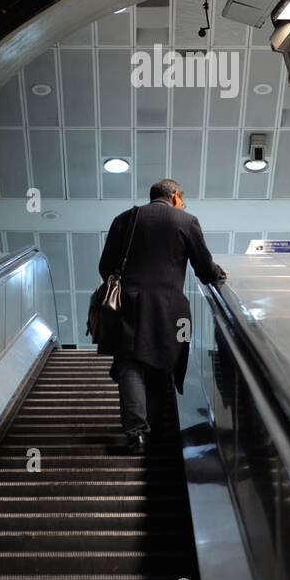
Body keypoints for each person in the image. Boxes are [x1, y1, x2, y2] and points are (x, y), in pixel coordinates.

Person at [98, 178, 226, 453]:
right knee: (163, 365)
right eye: (182, 199)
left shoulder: (125, 219)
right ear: (175, 196)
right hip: (172, 310)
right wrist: (218, 274)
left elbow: (105, 267)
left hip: (130, 305)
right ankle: (157, 430)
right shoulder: (186, 221)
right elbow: (204, 269)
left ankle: (136, 433)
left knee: (130, 364)